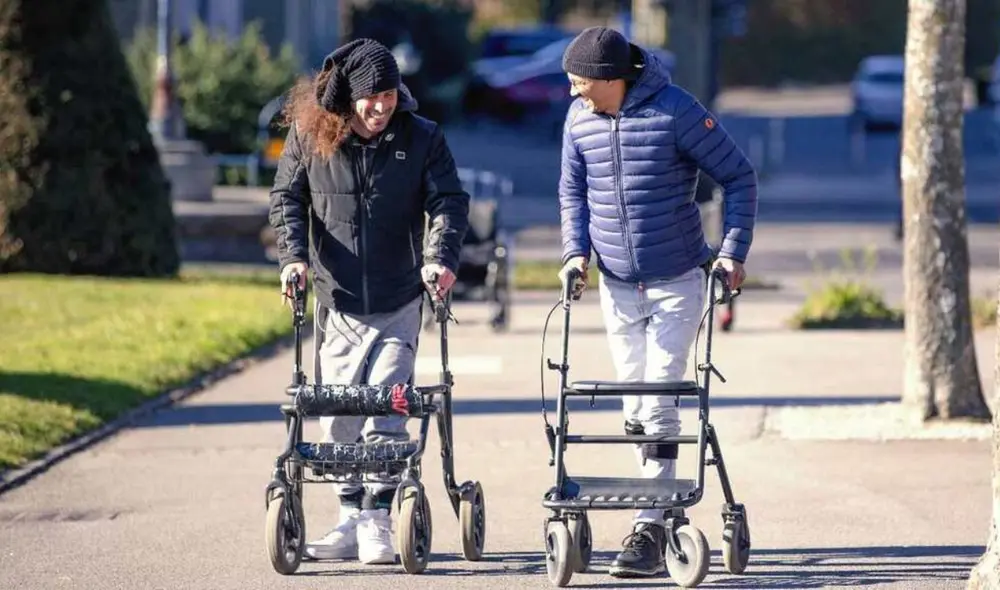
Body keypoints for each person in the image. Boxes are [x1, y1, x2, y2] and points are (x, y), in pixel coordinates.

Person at [556, 27, 758, 578]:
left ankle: (652, 524)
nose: (574, 93)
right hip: (617, 284)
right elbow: (572, 191)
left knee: (659, 396)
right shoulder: (580, 121)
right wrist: (576, 251)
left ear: (610, 79)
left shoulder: (675, 111)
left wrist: (732, 252)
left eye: (580, 83)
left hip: (677, 281)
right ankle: (655, 506)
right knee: (634, 409)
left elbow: (739, 177)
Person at [267, 38, 470, 565]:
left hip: (399, 295)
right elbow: (287, 197)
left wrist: (440, 256)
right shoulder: (312, 139)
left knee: (386, 403)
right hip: (337, 301)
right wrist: (293, 257)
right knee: (337, 414)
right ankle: (349, 516)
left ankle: (379, 518)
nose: (381, 107)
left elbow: (448, 200)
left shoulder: (421, 137)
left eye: (389, 95)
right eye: (370, 98)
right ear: (347, 99)